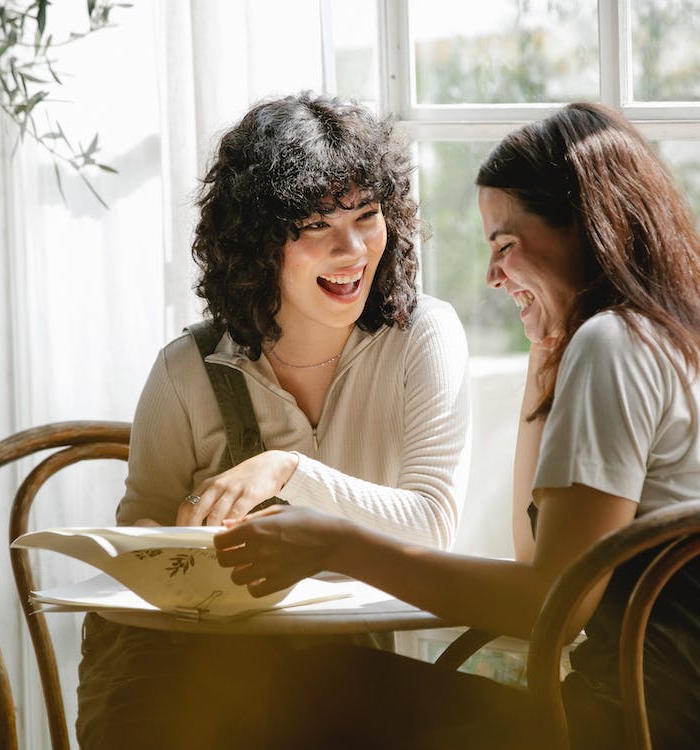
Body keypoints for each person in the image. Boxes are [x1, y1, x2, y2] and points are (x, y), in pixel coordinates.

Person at [214, 102, 700, 749]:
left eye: (504, 246)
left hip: (644, 728)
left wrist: (335, 545)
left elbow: (551, 608)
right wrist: (544, 358)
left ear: (584, 228)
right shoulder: (657, 336)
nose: (490, 275)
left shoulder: (614, 344)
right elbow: (535, 560)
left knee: (310, 690)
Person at [75, 92, 471, 749]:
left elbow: (432, 528)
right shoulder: (186, 369)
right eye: (316, 226)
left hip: (348, 674)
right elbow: (141, 519)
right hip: (200, 677)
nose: (352, 251)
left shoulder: (422, 336)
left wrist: (286, 472)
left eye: (367, 217)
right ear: (258, 243)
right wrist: (166, 542)